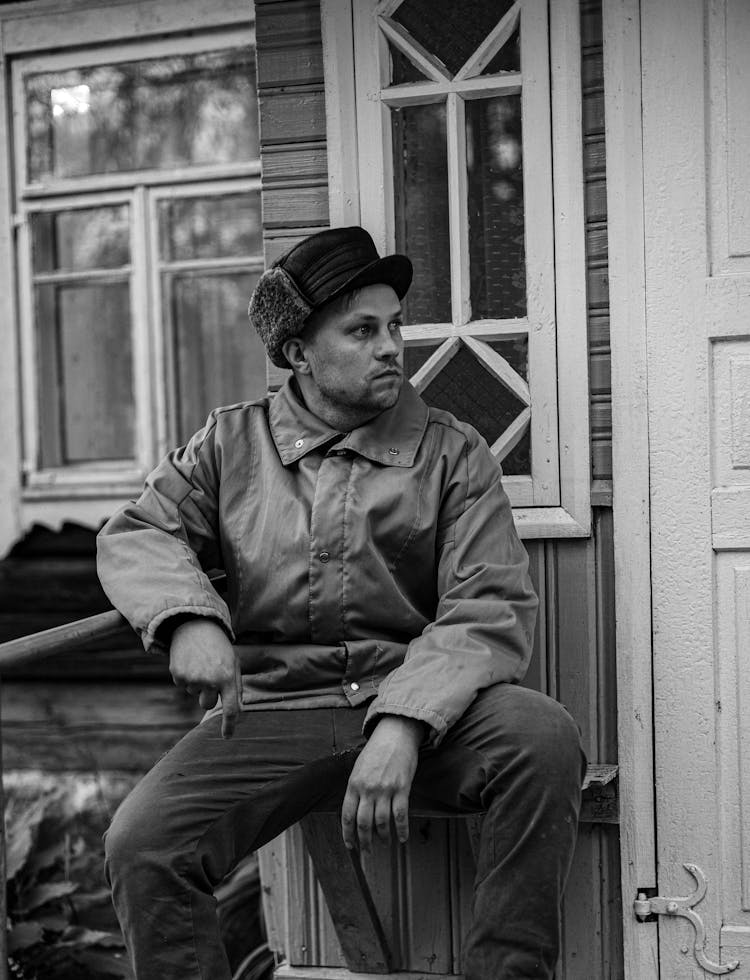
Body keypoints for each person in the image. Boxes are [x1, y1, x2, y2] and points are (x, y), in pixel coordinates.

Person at [97, 226, 585, 980]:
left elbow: (486, 605)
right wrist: (189, 617)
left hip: (423, 713)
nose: (392, 347)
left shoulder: (453, 453)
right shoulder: (230, 445)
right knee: (143, 843)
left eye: (394, 327)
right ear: (298, 353)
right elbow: (138, 533)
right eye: (362, 331)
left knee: (541, 737)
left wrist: (403, 722)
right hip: (273, 714)